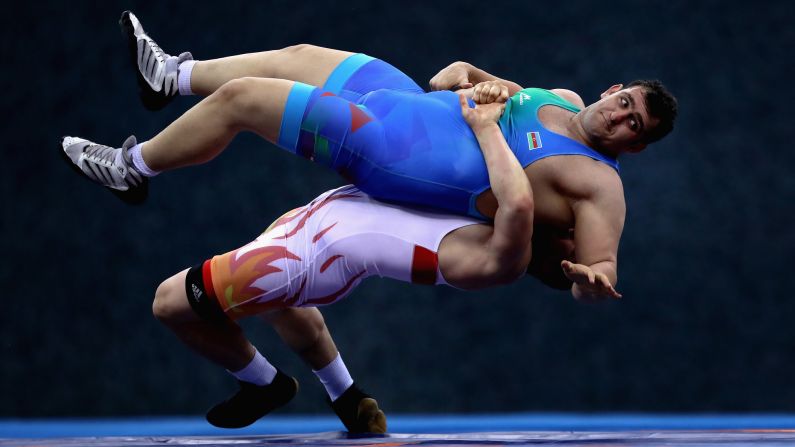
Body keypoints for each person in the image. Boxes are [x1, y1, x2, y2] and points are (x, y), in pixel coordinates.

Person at [61, 11, 677, 303]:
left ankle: (131, 169)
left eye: (632, 125)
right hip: (406, 101)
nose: (620, 116)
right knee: (298, 53)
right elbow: (469, 90)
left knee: (244, 101)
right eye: (624, 102)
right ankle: (171, 76)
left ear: (636, 145)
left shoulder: (599, 186)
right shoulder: (561, 97)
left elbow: (600, 266)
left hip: (394, 151)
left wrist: (595, 278)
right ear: (610, 88)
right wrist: (466, 72)